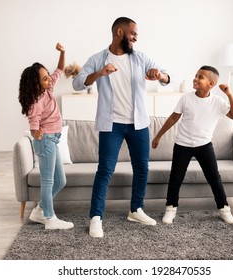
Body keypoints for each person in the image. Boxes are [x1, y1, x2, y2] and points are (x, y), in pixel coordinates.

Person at [73, 17, 171, 238]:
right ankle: (96, 217)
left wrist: (159, 74)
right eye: (133, 33)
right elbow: (77, 83)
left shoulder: (140, 58)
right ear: (120, 32)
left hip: (139, 123)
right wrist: (100, 73)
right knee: (105, 170)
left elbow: (166, 77)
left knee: (142, 168)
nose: (136, 37)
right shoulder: (98, 59)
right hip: (112, 125)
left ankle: (136, 209)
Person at [152, 65, 233, 225]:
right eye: (196, 75)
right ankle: (171, 208)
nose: (196, 78)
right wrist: (158, 136)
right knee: (175, 178)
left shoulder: (218, 102)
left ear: (211, 84)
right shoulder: (186, 98)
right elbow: (173, 118)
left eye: (201, 77)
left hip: (204, 145)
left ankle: (224, 209)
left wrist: (229, 94)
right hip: (182, 145)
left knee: (214, 178)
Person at [18, 43, 74, 230]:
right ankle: (50, 219)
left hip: (53, 141)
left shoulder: (48, 89)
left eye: (47, 75)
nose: (50, 79)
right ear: (36, 84)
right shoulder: (37, 100)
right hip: (46, 141)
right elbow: (33, 121)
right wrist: (35, 132)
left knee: (60, 181)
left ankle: (39, 210)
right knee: (48, 181)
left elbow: (59, 69)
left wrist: (63, 52)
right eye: (44, 78)